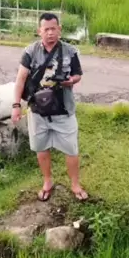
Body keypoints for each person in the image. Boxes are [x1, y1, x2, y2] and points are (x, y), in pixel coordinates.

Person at [11, 12, 89, 202]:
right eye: (46, 29)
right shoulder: (30, 51)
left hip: (64, 110)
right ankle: (47, 181)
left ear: (59, 29)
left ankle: (75, 185)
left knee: (71, 149)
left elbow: (78, 74)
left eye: (53, 29)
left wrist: (71, 81)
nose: (50, 33)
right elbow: (20, 79)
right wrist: (16, 105)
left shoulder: (70, 51)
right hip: (37, 111)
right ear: (39, 31)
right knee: (41, 148)